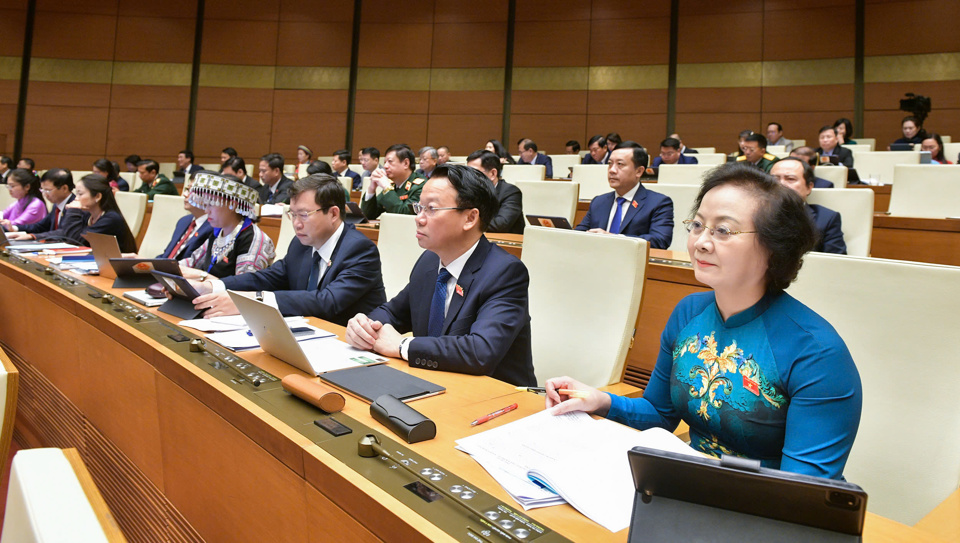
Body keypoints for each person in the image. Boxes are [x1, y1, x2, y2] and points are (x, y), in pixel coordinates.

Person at [545, 162, 862, 480]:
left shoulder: (817, 352)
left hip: (765, 511)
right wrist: (599, 400)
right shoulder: (689, 312)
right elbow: (659, 413)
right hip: (689, 486)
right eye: (696, 225)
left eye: (723, 230)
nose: (700, 243)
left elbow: (802, 490)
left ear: (774, 245)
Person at [346, 165, 536, 387]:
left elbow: (480, 351)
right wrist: (365, 327)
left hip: (496, 397)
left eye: (431, 209)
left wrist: (402, 345)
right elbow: (394, 311)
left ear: (470, 218)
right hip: (433, 382)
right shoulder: (429, 261)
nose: (419, 218)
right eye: (419, 207)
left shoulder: (504, 272)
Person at [187, 174, 387, 325]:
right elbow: (268, 277)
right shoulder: (300, 244)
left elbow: (327, 302)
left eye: (304, 215)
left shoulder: (360, 250)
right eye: (293, 215)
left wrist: (254, 300)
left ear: (333, 213)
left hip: (348, 344)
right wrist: (212, 287)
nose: (296, 224)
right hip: (307, 334)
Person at [575, 142, 674, 248]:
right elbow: (579, 234)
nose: (612, 170)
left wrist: (613, 238)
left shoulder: (658, 203)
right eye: (610, 164)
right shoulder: (599, 201)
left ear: (639, 171)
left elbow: (660, 240)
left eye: (620, 164)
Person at [180, 172, 275, 279]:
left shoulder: (254, 239)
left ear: (232, 204)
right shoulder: (218, 232)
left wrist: (202, 276)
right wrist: (167, 268)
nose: (206, 211)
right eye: (205, 205)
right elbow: (192, 261)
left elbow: (243, 285)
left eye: (211, 205)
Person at [14, 174, 138, 253]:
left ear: (97, 196)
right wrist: (33, 236)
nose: (75, 198)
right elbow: (64, 232)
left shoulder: (110, 218)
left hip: (118, 272)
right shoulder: (89, 214)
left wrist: (73, 210)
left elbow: (74, 241)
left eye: (80, 194)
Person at [771, 158, 846, 254]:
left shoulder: (826, 218)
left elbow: (836, 262)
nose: (780, 184)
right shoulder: (755, 213)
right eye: (774, 179)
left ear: (809, 187)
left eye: (790, 179)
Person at [360, 144, 425, 220]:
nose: (385, 166)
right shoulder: (393, 184)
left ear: (406, 163)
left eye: (390, 162)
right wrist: (371, 189)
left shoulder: (421, 186)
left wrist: (387, 188)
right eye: (385, 162)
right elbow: (368, 215)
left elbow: (404, 216)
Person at [157, 173, 213, 260]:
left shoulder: (214, 227)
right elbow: (166, 256)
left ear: (208, 197)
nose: (185, 194)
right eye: (187, 189)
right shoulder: (183, 221)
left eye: (192, 191)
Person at [2, 168, 75, 235]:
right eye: (42, 190)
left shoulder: (74, 206)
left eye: (48, 190)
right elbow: (40, 226)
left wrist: (33, 236)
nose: (45, 194)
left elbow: (63, 232)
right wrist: (14, 228)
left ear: (64, 188)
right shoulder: (57, 205)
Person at [467, 150, 523, 234]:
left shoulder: (511, 192)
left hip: (506, 243)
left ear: (493, 173)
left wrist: (468, 222)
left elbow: (501, 224)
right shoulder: (469, 190)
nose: (469, 178)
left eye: (474, 173)